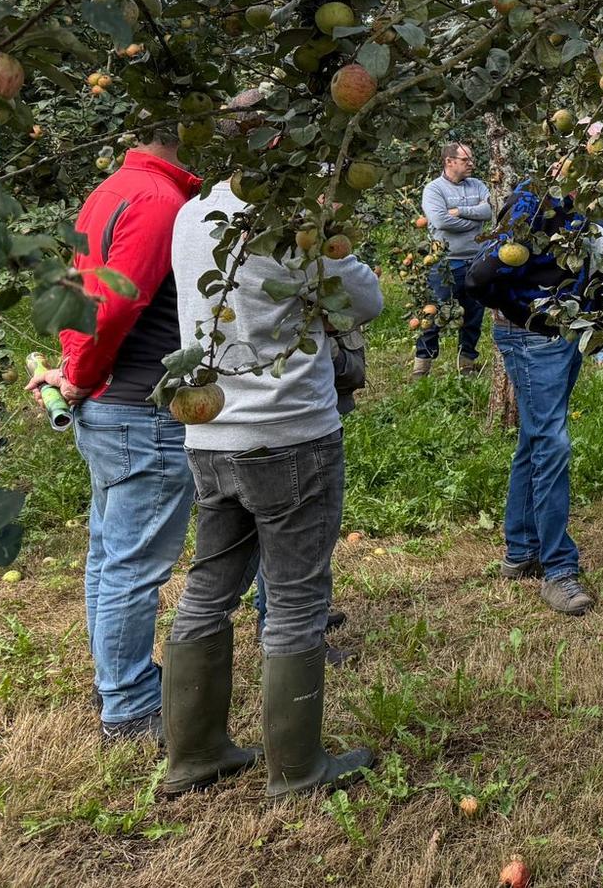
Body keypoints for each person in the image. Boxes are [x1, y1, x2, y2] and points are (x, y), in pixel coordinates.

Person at [161, 177, 383, 797]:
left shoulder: (191, 213)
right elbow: (364, 302)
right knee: (295, 598)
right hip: (288, 431)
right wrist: (334, 237)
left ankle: (195, 755)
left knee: (208, 587)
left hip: (208, 432)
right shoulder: (293, 218)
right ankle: (296, 768)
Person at [22, 130, 201, 745]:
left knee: (109, 553)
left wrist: (73, 372)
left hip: (112, 408)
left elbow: (81, 291)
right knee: (132, 565)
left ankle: (114, 683)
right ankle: (127, 704)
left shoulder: (113, 189)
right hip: (141, 413)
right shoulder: (158, 201)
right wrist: (78, 375)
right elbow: (114, 308)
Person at [468, 180, 602, 616]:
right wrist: (521, 310)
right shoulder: (533, 203)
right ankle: (558, 569)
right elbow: (481, 275)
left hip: (563, 336)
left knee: (535, 438)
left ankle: (522, 547)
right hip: (531, 340)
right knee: (552, 443)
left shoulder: (592, 204)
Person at [414, 141, 491, 377]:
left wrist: (461, 212)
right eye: (466, 160)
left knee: (474, 314)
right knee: (433, 313)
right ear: (449, 162)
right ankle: (421, 367)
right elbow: (441, 221)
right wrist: (475, 222)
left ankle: (466, 362)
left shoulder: (477, 185)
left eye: (471, 159)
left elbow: (490, 210)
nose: (472, 164)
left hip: (476, 261)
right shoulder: (434, 189)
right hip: (445, 262)